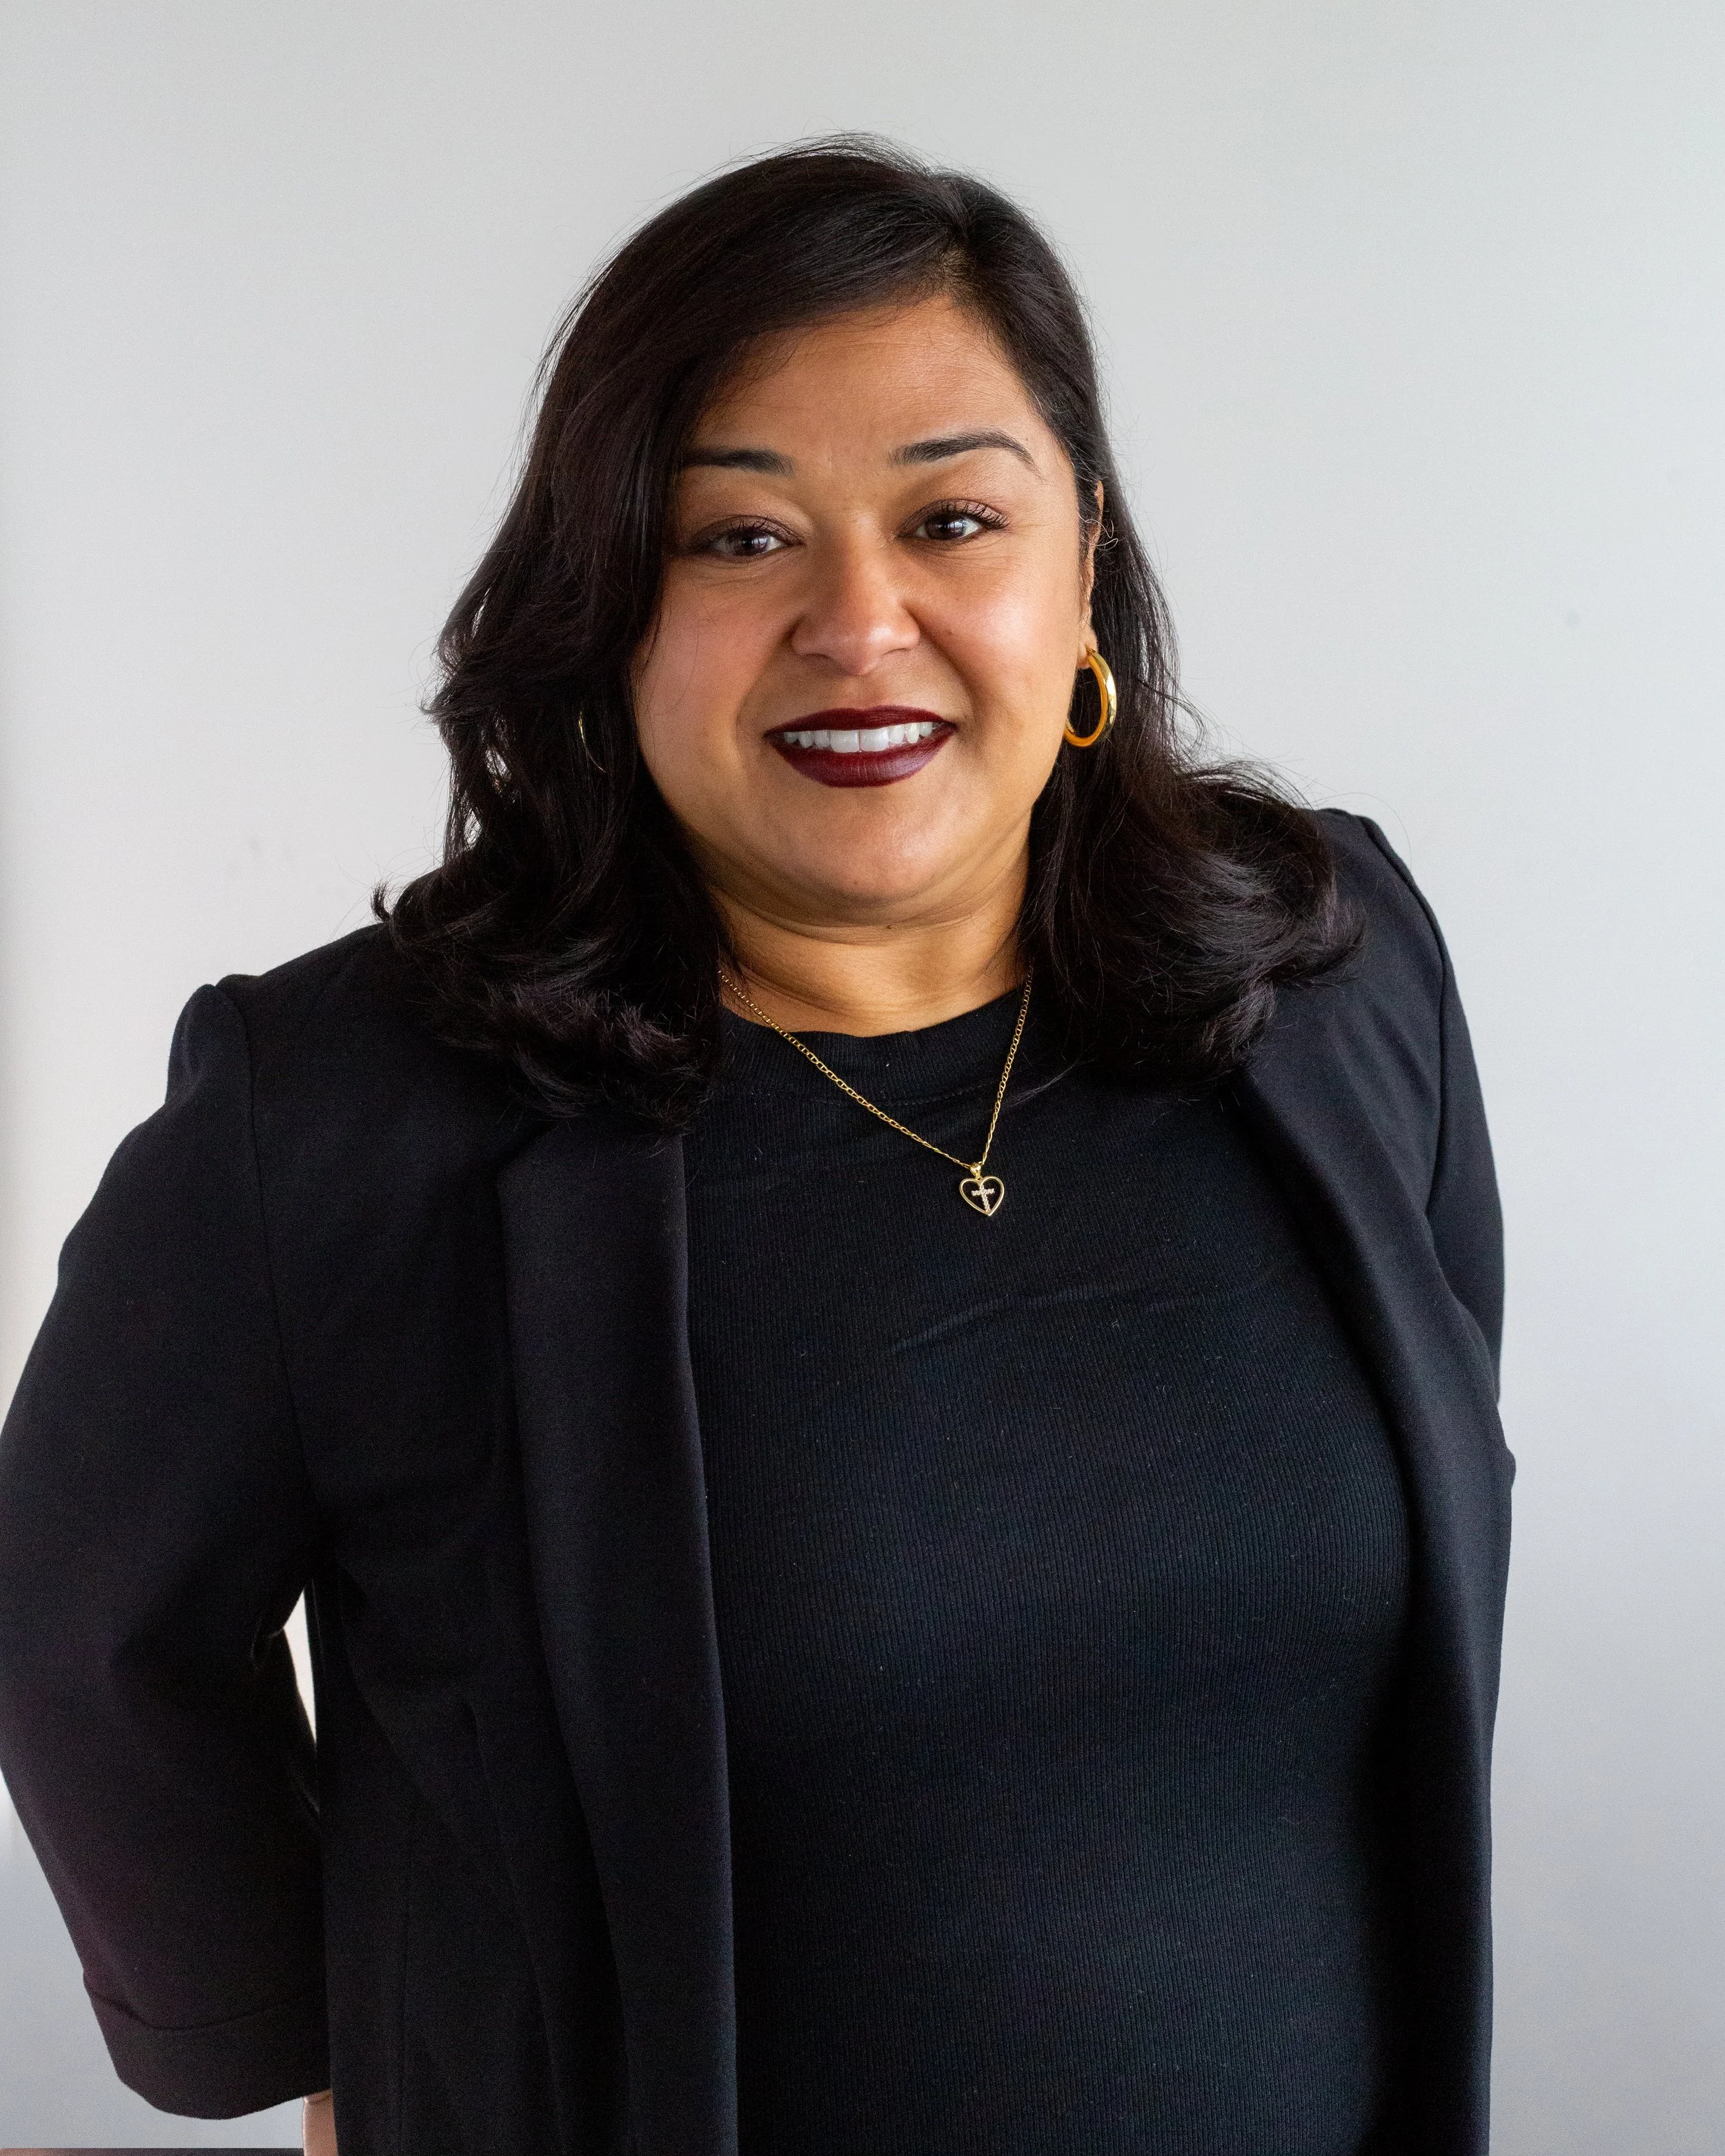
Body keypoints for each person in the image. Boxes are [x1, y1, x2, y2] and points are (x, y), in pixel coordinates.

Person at [0, 141, 1511, 2156]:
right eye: (734, 540)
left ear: (1081, 576)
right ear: (603, 612)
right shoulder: (346, 1117)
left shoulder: (1335, 974)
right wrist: (322, 2044)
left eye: (952, 516)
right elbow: (80, 1619)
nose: (856, 617)